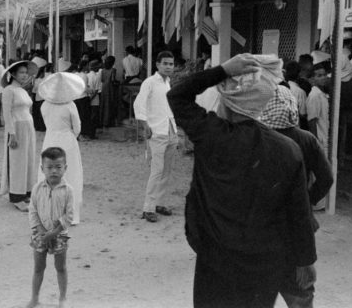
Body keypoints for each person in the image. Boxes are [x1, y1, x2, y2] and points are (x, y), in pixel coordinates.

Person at [167, 54, 317, 308]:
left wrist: (223, 70)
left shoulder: (211, 135)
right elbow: (299, 212)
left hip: (215, 259)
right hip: (265, 263)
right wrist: (306, 260)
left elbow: (178, 95)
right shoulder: (288, 149)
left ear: (228, 102)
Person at [258, 81, 333, 307]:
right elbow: (327, 178)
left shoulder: (257, 139)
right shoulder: (306, 139)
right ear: (291, 105)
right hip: (298, 227)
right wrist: (306, 200)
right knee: (300, 291)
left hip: (262, 227)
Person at [134, 51, 178, 223]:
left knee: (167, 170)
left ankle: (159, 203)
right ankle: (148, 208)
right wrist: (145, 125)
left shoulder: (168, 83)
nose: (168, 67)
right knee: (156, 170)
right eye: (165, 63)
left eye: (171, 64)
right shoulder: (150, 82)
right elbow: (139, 103)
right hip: (156, 131)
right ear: (157, 64)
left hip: (170, 130)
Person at [27, 147, 73, 308]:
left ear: (65, 168)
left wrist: (53, 233)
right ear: (42, 169)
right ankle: (34, 298)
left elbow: (69, 216)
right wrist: (40, 231)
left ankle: (62, 299)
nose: (54, 171)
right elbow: (32, 210)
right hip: (39, 234)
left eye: (58, 167)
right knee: (38, 268)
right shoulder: (37, 189)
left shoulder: (68, 191)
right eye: (49, 167)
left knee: (61, 267)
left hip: (60, 236)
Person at [38, 72, 85, 224]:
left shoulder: (45, 105)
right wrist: (71, 134)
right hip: (67, 140)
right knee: (70, 175)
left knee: (48, 174)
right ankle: (70, 215)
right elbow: (77, 127)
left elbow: (46, 123)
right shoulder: (70, 105)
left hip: (50, 138)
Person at [0, 60, 39, 212]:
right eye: (21, 72)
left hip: (28, 126)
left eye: (25, 72)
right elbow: (7, 114)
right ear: (13, 74)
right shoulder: (9, 90)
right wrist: (12, 134)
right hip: (17, 127)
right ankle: (16, 196)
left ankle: (26, 191)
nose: (24, 75)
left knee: (28, 160)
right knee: (17, 161)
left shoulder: (23, 90)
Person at [306, 63, 330, 155]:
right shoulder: (314, 96)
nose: (323, 77)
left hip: (326, 137)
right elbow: (312, 121)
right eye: (319, 76)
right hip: (320, 140)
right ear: (312, 79)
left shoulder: (322, 93)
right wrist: (315, 143)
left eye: (324, 75)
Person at [284, 61, 308, 129]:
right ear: (299, 74)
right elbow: (303, 114)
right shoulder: (300, 92)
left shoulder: (282, 87)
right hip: (295, 128)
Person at [74, 60, 93, 140]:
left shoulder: (75, 74)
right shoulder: (84, 76)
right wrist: (91, 90)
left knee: (78, 117)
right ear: (85, 66)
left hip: (76, 98)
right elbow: (84, 88)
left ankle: (77, 134)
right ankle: (83, 134)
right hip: (83, 98)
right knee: (84, 117)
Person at [32, 60, 51, 132]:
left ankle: (41, 126)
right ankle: (40, 126)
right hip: (40, 98)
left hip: (41, 98)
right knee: (40, 114)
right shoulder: (38, 80)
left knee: (41, 113)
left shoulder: (39, 80)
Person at [100, 56, 117, 128]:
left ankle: (103, 121)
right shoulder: (113, 70)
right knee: (110, 104)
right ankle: (108, 122)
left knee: (103, 104)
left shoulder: (102, 70)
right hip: (110, 87)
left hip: (104, 87)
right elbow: (113, 80)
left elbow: (102, 79)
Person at [87, 60, 102, 137]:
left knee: (88, 117)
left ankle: (88, 133)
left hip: (87, 98)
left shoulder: (87, 75)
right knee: (94, 117)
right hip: (95, 100)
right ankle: (92, 134)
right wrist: (92, 98)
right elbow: (97, 90)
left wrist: (88, 99)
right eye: (98, 67)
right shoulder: (96, 77)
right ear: (95, 67)